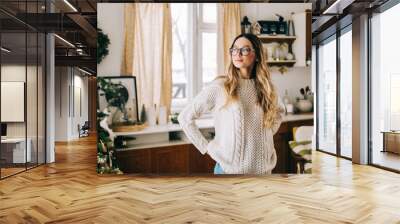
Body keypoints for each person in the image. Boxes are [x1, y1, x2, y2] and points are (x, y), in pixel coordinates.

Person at [178, 33, 285, 174]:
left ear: (257, 55)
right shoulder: (221, 86)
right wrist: (207, 147)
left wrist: (266, 133)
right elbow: (185, 117)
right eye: (234, 49)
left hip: (263, 173)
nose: (238, 54)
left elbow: (279, 111)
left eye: (245, 49)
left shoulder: (267, 88)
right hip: (228, 173)